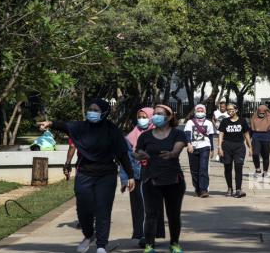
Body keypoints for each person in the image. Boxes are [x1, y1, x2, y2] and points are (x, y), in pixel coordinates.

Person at [37, 99, 135, 253]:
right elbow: (65, 126)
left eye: (96, 110)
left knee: (103, 209)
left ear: (104, 113)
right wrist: (49, 123)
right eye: (90, 109)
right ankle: (89, 235)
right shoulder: (81, 127)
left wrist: (130, 175)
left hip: (106, 174)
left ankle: (101, 245)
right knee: (83, 208)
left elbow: (122, 154)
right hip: (85, 173)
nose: (92, 113)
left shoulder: (112, 130)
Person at [134, 104, 187, 253]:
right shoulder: (145, 136)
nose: (155, 116)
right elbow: (137, 152)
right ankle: (149, 245)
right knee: (151, 214)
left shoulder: (178, 134)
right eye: (155, 113)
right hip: (151, 179)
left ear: (169, 117)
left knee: (173, 214)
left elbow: (178, 148)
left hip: (174, 180)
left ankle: (174, 243)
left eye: (160, 114)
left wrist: (171, 154)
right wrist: (139, 155)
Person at [120, 107, 165, 248]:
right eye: (139, 116)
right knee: (138, 207)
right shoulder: (130, 136)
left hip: (153, 176)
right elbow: (124, 159)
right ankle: (140, 234)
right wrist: (125, 178)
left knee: (151, 207)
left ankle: (150, 236)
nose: (142, 119)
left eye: (145, 116)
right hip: (136, 176)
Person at [218, 103, 252, 198]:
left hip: (239, 147)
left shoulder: (242, 121)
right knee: (227, 168)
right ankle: (229, 188)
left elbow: (246, 134)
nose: (229, 111)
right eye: (228, 110)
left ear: (236, 110)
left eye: (231, 109)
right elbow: (221, 134)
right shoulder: (225, 121)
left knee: (238, 168)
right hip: (227, 147)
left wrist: (250, 147)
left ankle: (238, 189)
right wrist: (219, 147)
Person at [184, 104, 215, 198]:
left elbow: (210, 137)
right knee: (194, 170)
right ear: (195, 112)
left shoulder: (209, 123)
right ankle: (197, 188)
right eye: (198, 111)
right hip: (192, 148)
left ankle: (204, 189)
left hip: (205, 147)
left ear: (205, 112)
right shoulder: (190, 122)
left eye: (202, 111)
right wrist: (189, 144)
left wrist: (212, 149)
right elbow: (187, 133)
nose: (200, 113)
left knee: (203, 168)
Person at [250, 105, 270, 177]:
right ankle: (257, 169)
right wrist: (248, 137)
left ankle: (265, 171)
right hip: (256, 136)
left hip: (267, 137)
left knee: (265, 155)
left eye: (263, 112)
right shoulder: (254, 117)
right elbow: (251, 128)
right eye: (260, 111)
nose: (261, 113)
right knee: (255, 153)